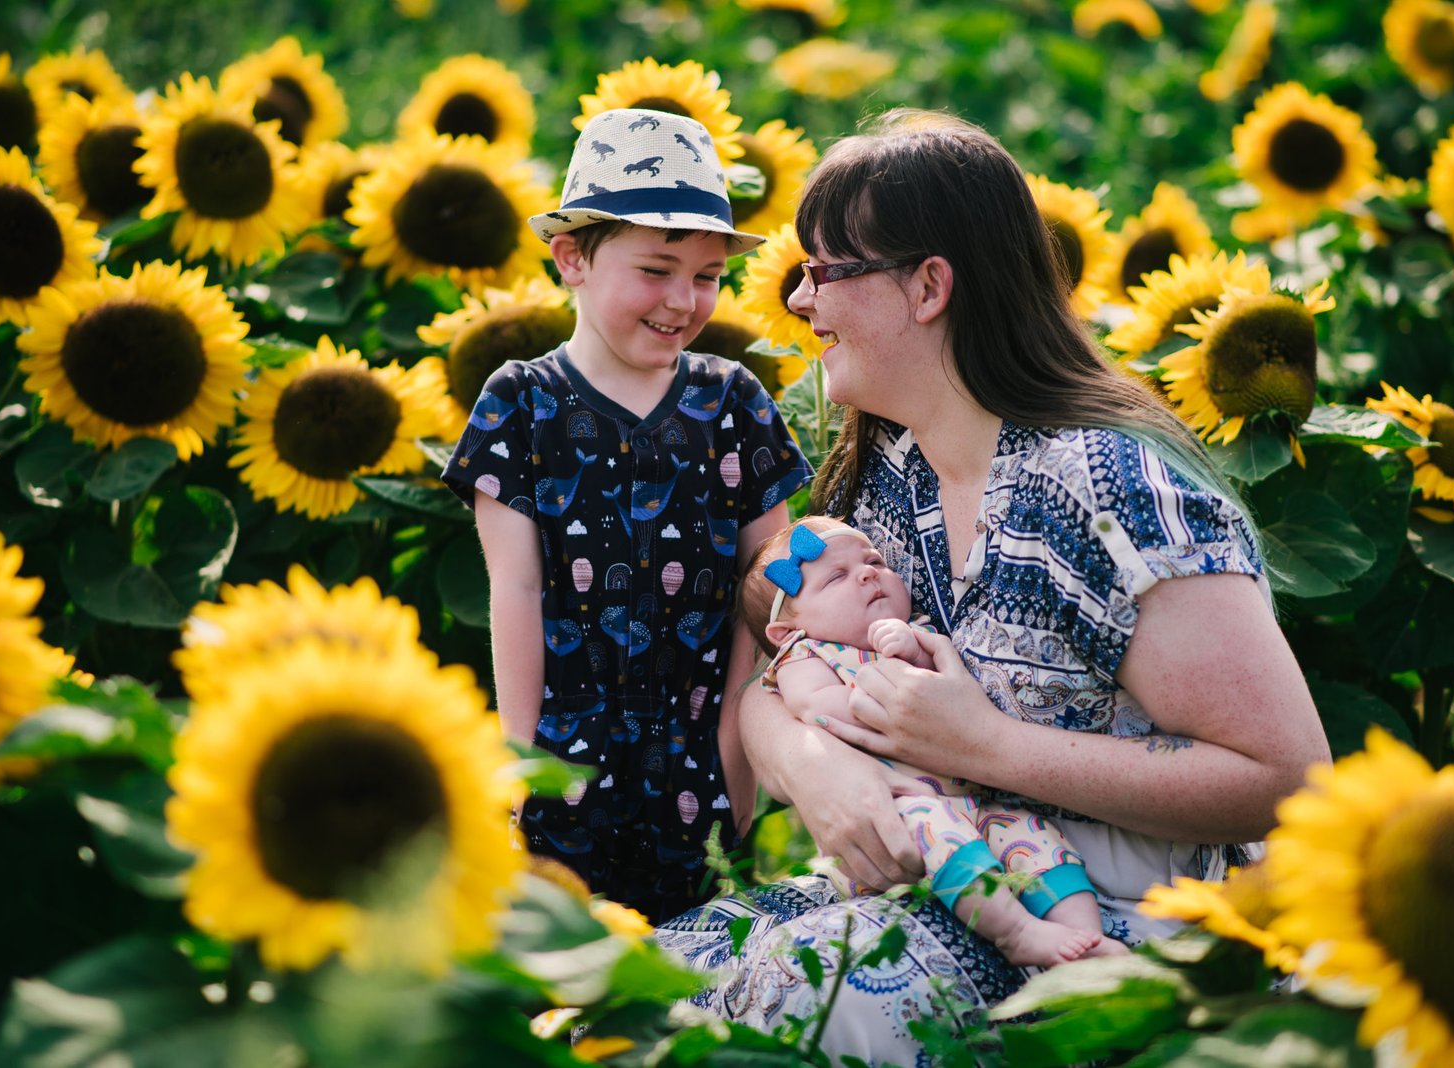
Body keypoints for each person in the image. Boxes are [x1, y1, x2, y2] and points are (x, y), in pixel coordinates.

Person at [653, 110, 1330, 1061]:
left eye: (823, 272)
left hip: (1131, 935)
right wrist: (818, 770)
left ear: (929, 286)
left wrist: (991, 747)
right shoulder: (889, 476)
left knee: (790, 1009)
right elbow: (778, 653)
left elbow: (1287, 779)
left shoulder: (1106, 489)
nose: (801, 303)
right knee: (651, 986)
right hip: (953, 882)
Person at [442, 108, 812, 921]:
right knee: (570, 966)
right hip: (569, 748)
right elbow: (517, 590)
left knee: (693, 971)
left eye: (709, 275)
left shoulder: (733, 402)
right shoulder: (521, 403)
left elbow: (772, 584)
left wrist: (739, 742)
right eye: (657, 269)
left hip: (699, 742)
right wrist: (521, 756)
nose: (685, 300)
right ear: (571, 257)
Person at [742, 515, 1126, 967]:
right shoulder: (805, 655)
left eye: (873, 561)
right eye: (837, 577)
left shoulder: (918, 629)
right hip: (897, 818)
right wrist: (893, 687)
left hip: (977, 803)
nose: (869, 573)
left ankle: (1083, 935)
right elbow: (815, 706)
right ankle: (1016, 933)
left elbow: (952, 687)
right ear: (787, 632)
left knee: (1031, 833)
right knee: (932, 827)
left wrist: (915, 652)